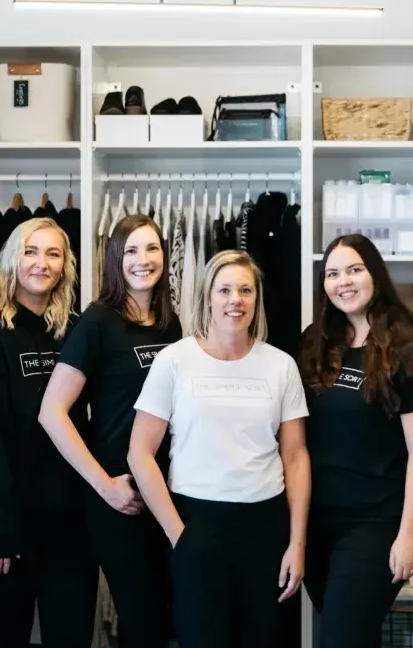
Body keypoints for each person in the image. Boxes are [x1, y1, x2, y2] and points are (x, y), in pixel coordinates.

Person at [128, 250, 310, 648]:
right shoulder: (174, 361)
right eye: (224, 290)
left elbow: (295, 458)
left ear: (257, 299)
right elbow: (139, 453)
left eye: (246, 290)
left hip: (266, 527)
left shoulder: (281, 366)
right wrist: (179, 535)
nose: (236, 300)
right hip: (197, 521)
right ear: (207, 297)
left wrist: (297, 543)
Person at [39, 214, 181, 647]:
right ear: (116, 258)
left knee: (163, 615)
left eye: (152, 248)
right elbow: (52, 412)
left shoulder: (168, 324)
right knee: (142, 619)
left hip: (164, 490)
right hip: (120, 496)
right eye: (131, 250)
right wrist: (105, 487)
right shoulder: (98, 322)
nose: (143, 260)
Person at [0, 217, 98, 647]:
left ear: (65, 266)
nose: (41, 263)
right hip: (4, 528)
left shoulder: (75, 331)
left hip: (69, 526)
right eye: (31, 252)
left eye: (53, 254)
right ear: (12, 261)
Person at [298, 234, 413, 648]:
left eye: (354, 270)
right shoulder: (315, 342)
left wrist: (409, 534)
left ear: (375, 274)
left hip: (375, 524)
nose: (343, 281)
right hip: (317, 523)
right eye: (332, 273)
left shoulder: (411, 348)